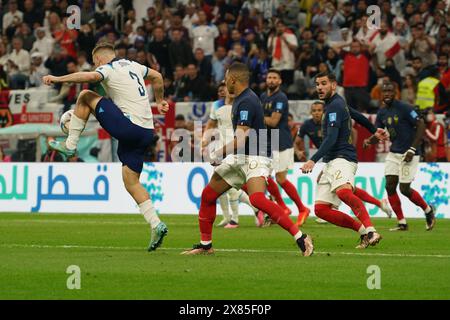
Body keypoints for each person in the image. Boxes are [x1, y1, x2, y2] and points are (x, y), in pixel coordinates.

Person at [42, 42, 169, 251]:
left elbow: (90, 78)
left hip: (129, 127)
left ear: (99, 59)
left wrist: (58, 79)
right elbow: (157, 76)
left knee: (85, 96)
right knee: (131, 181)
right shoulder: (134, 65)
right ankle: (156, 224)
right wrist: (160, 101)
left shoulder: (108, 68)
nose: (95, 67)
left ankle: (71, 144)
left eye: (94, 63)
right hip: (146, 132)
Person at [182, 62, 313, 256]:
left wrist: (219, 153)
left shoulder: (246, 101)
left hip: (256, 156)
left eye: (226, 78)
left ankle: (301, 237)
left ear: (233, 80)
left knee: (258, 199)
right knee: (208, 195)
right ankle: (206, 245)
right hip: (241, 156)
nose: (224, 82)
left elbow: (241, 137)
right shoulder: (242, 99)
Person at [301, 71, 387, 249]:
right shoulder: (338, 104)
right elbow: (357, 115)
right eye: (317, 84)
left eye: (324, 83)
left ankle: (371, 230)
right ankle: (363, 232)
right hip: (331, 161)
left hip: (343, 158)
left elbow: (331, 138)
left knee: (343, 192)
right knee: (321, 209)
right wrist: (374, 130)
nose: (319, 87)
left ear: (333, 85)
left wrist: (313, 160)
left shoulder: (334, 107)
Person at [295, 101, 393, 224]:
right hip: (330, 158)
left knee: (341, 187)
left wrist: (349, 147)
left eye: (319, 110)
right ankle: (379, 204)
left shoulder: (332, 119)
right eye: (314, 111)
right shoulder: (307, 125)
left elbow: (354, 131)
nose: (316, 113)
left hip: (342, 157)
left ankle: (362, 223)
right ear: (311, 113)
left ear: (324, 111)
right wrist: (299, 151)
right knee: (347, 188)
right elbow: (297, 141)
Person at [364, 81, 436, 231]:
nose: (387, 94)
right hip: (394, 153)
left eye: (390, 91)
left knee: (404, 189)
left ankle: (428, 210)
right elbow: (378, 133)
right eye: (385, 92)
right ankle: (402, 222)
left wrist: (412, 149)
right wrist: (369, 141)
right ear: (381, 94)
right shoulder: (382, 112)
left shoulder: (404, 108)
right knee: (390, 186)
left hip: (410, 153)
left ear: (395, 92)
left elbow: (421, 124)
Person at [202, 82, 263, 228]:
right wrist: (205, 140)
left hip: (235, 148)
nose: (223, 92)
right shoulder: (216, 106)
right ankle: (229, 216)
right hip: (222, 147)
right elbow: (211, 124)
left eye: (225, 89)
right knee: (222, 186)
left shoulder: (239, 105)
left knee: (231, 186)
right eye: (220, 90)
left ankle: (235, 219)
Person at [261, 69, 310, 226]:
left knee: (280, 179)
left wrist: (256, 117)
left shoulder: (280, 97)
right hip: (267, 142)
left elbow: (274, 121)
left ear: (280, 81)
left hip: (281, 142)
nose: (271, 80)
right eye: (269, 77)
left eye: (275, 78)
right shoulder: (262, 97)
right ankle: (283, 207)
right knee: (264, 177)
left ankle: (302, 209)